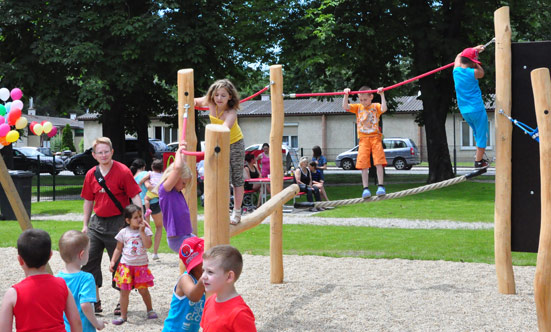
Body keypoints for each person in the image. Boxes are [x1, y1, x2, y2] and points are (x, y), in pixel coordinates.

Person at [80, 137, 142, 315]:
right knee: (89, 261)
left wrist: (140, 219)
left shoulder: (123, 171)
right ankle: (95, 301)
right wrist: (85, 224)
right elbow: (88, 200)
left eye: (106, 151)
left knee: (120, 264)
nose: (103, 155)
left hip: (119, 223)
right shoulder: (91, 174)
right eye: (99, 152)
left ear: (112, 152)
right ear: (94, 155)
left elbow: (135, 196)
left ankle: (120, 301)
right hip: (97, 223)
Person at [0, 229, 82, 332]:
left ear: (20, 260)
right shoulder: (62, 285)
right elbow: (76, 322)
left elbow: (4, 329)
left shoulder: (13, 293)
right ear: (50, 255)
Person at [195, 79, 245, 225]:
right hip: (220, 144)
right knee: (224, 179)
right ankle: (224, 211)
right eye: (216, 95)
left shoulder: (231, 112)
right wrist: (188, 104)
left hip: (234, 143)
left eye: (223, 95)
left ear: (230, 96)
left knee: (237, 178)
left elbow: (224, 129)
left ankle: (237, 211)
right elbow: (194, 101)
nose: (219, 98)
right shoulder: (210, 103)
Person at [109, 204, 157, 325]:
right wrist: (113, 261)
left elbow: (148, 245)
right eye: (136, 217)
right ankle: (123, 316)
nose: (140, 219)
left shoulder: (145, 230)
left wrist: (142, 232)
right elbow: (118, 249)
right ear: (128, 220)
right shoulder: (123, 232)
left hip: (141, 267)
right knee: (124, 292)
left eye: (140, 216)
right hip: (126, 266)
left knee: (144, 291)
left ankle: (150, 310)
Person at [342, 86, 388, 198]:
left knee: (378, 162)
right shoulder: (358, 107)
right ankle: (365, 188)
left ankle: (381, 186)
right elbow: (345, 106)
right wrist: (346, 95)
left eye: (365, 99)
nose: (363, 102)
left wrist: (382, 94)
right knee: (363, 164)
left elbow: (384, 109)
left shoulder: (375, 106)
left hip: (375, 138)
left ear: (371, 97)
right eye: (361, 100)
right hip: (363, 139)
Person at [57, 230, 107, 332]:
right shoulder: (86, 278)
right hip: (84, 328)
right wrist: (96, 323)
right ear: (82, 254)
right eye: (88, 251)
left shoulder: (57, 278)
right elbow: (85, 304)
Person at [200, 245, 256, 332]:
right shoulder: (209, 301)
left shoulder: (239, 313)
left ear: (229, 276)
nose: (203, 277)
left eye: (210, 272)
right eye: (203, 270)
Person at [453, 45, 489, 168]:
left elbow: (459, 55)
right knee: (482, 134)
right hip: (476, 109)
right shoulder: (473, 72)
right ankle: (478, 162)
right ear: (472, 63)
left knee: (476, 132)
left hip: (465, 111)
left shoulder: (456, 71)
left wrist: (475, 50)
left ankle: (479, 156)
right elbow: (482, 73)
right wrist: (476, 61)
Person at [157, 142, 194, 254]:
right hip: (177, 239)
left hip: (186, 235)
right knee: (200, 255)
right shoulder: (166, 191)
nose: (183, 187)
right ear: (175, 178)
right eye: (183, 183)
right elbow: (178, 168)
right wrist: (178, 151)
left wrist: (183, 152)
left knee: (207, 249)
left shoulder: (176, 192)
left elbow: (182, 165)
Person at [162, 236, 206, 332]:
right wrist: (206, 276)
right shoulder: (185, 279)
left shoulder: (205, 282)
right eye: (204, 259)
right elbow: (194, 296)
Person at [142, 159, 165, 261]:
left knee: (145, 227)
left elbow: (143, 183)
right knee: (159, 227)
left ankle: (143, 252)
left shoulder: (148, 174)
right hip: (156, 202)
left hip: (144, 203)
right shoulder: (163, 175)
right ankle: (155, 253)